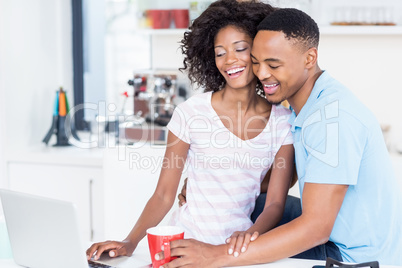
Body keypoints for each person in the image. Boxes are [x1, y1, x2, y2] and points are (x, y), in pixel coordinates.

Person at [158, 8, 402, 267]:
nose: (262, 74)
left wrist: (215, 255)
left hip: (353, 256)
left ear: (309, 58)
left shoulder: (331, 118)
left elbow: (315, 229)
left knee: (233, 252)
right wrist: (205, 182)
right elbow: (282, 178)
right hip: (340, 234)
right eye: (256, 62)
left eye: (273, 64)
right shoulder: (303, 109)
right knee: (252, 208)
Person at [86, 0, 296, 261]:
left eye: (240, 48)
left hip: (234, 253)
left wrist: (250, 235)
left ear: (258, 52)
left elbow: (276, 202)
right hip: (184, 246)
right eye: (220, 53)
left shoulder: (282, 121)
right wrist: (129, 242)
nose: (229, 60)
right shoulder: (191, 113)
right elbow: (164, 194)